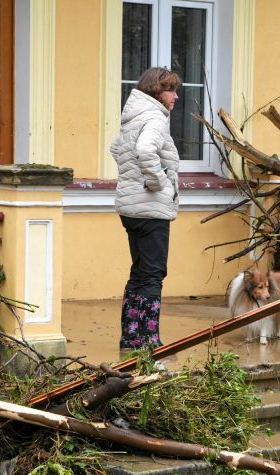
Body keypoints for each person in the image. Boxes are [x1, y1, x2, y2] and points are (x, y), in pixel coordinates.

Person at [110, 66, 182, 353]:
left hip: (131, 209)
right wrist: (158, 182)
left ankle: (131, 337)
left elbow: (116, 150)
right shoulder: (154, 118)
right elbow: (145, 150)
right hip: (151, 210)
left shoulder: (133, 117)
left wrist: (132, 179)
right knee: (153, 274)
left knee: (139, 272)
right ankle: (150, 341)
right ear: (156, 91)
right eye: (171, 90)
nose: (175, 97)